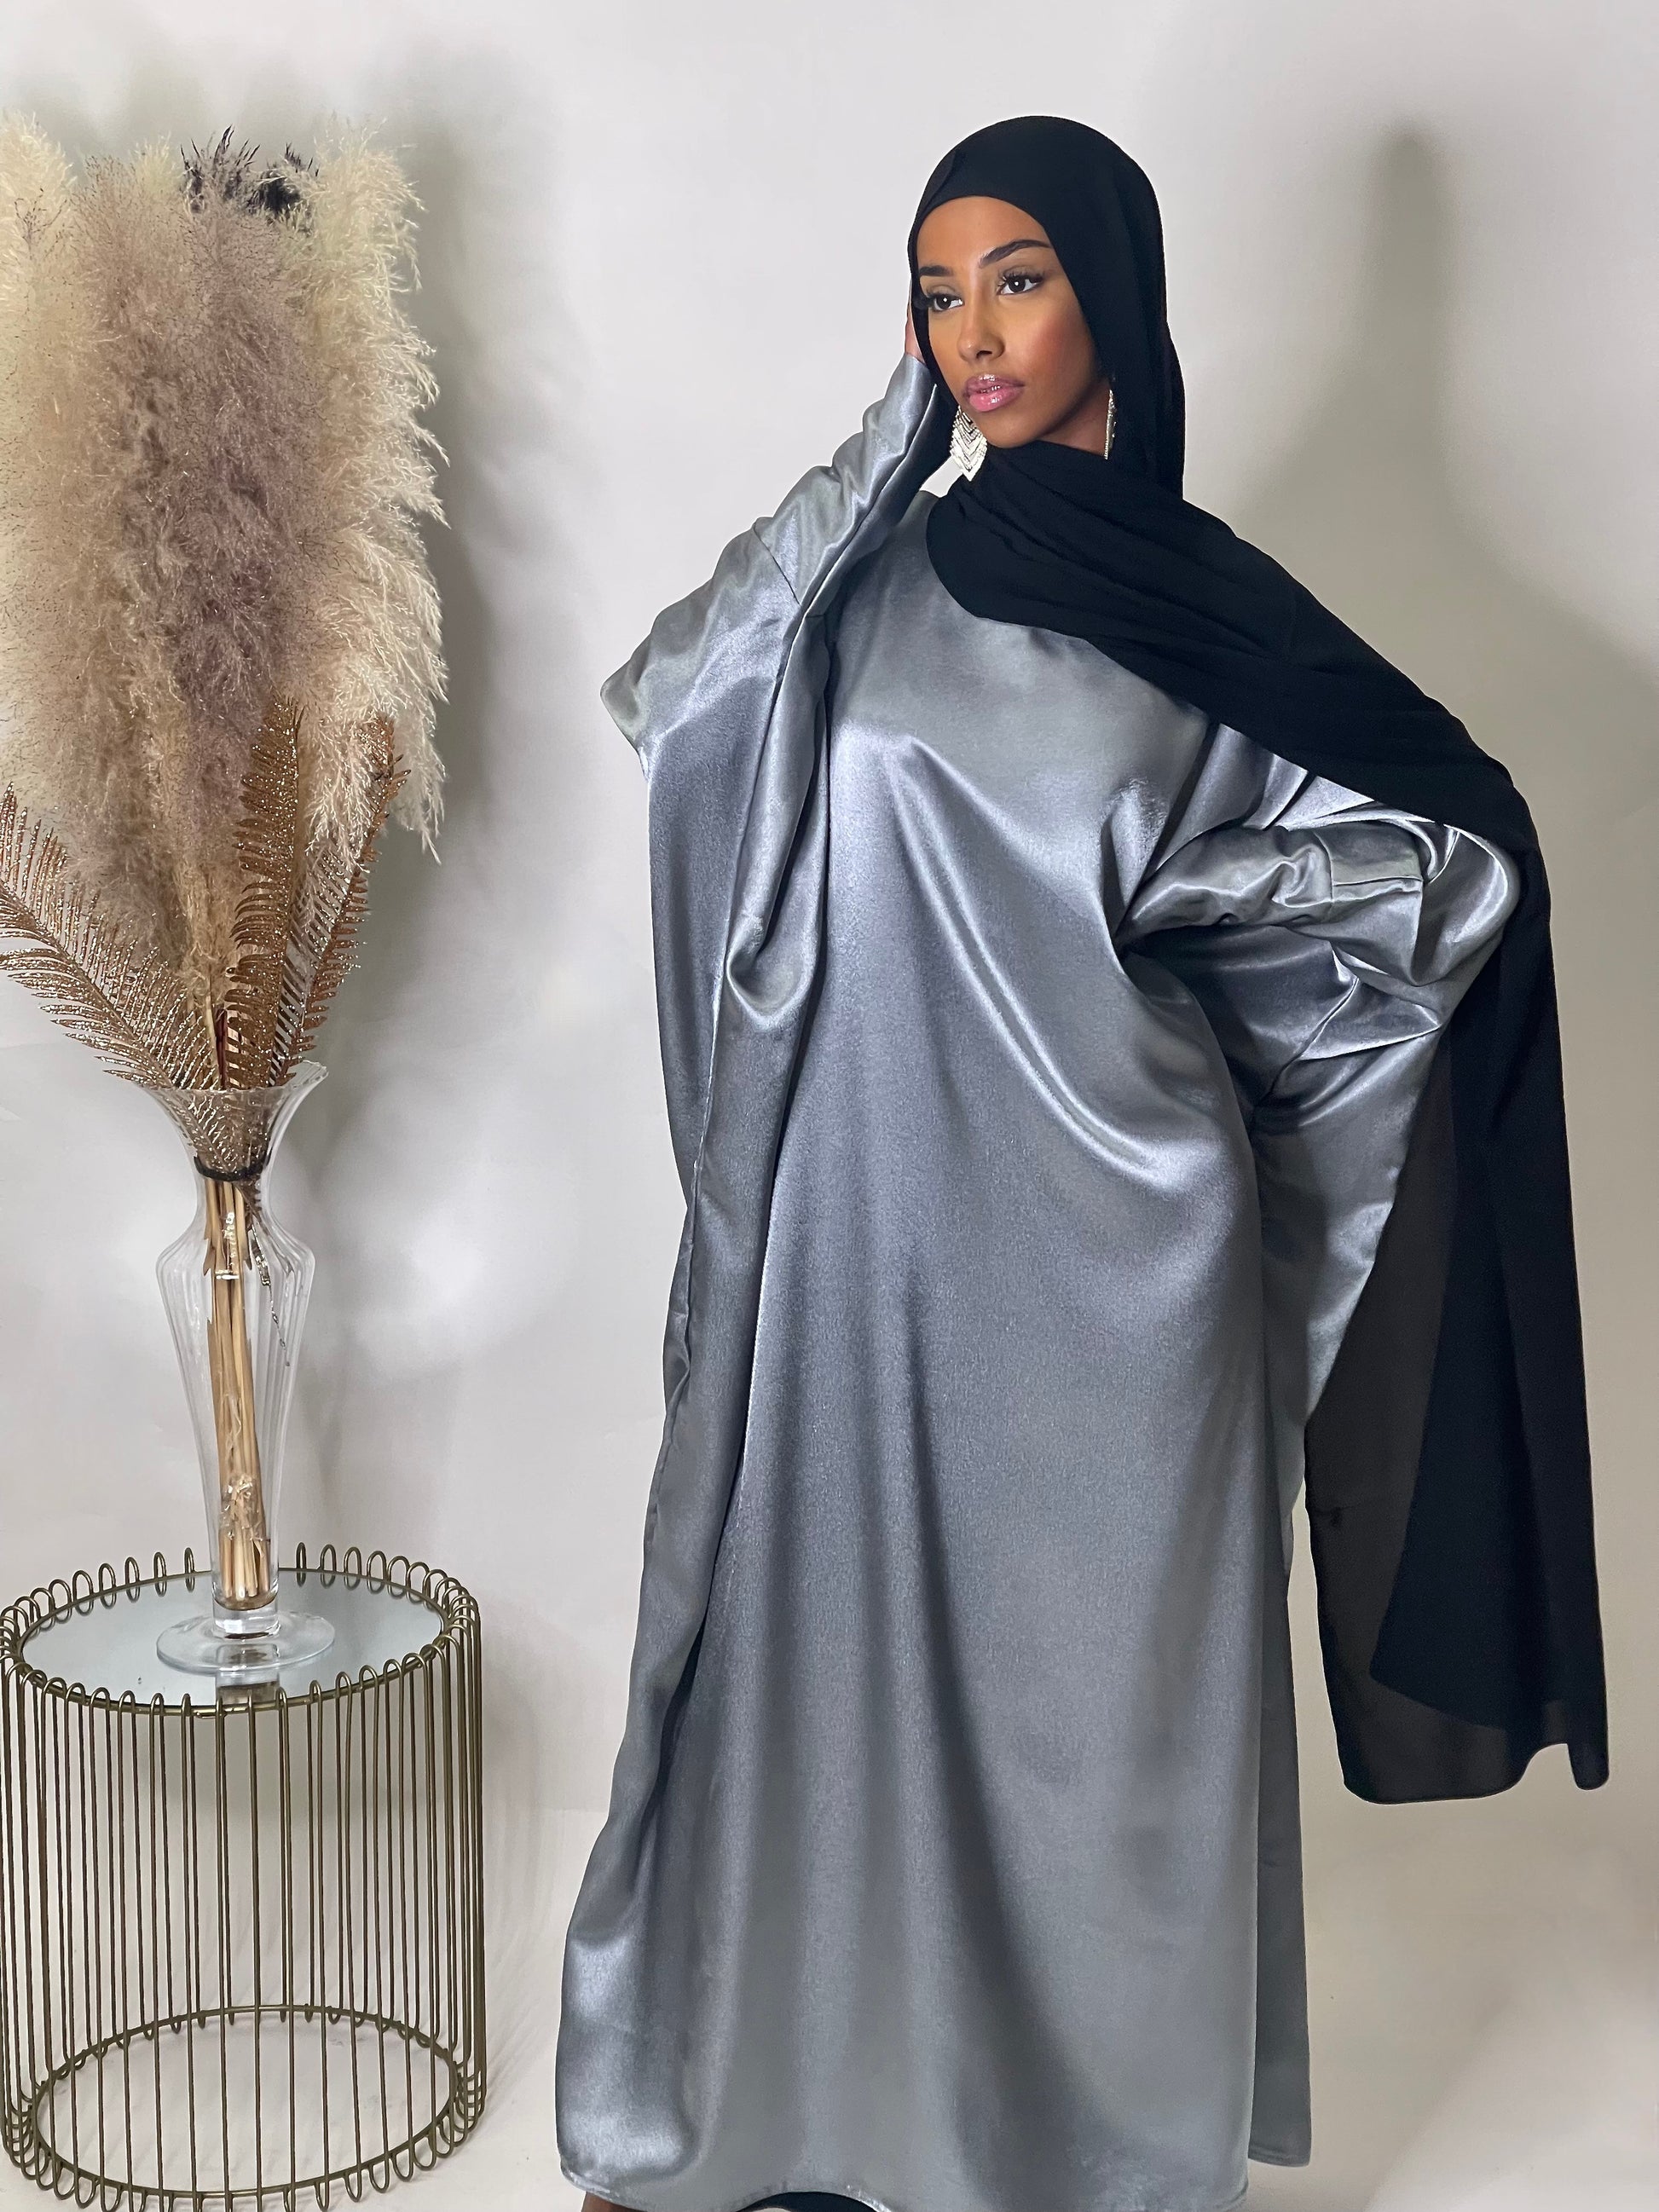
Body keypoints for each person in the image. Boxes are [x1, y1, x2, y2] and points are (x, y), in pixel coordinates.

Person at [557, 116, 1606, 2212]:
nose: (974, 333)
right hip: (860, 1259)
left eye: (1017, 278)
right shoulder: (863, 586)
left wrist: (1194, 918)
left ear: (1110, 291)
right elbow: (680, 704)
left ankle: (1088, 2168)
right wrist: (873, 456)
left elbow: (1445, 840)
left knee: (1098, 1748)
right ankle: (816, 2122)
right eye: (935, 291)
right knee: (831, 1684)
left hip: (1121, 1274)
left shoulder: (1211, 621)